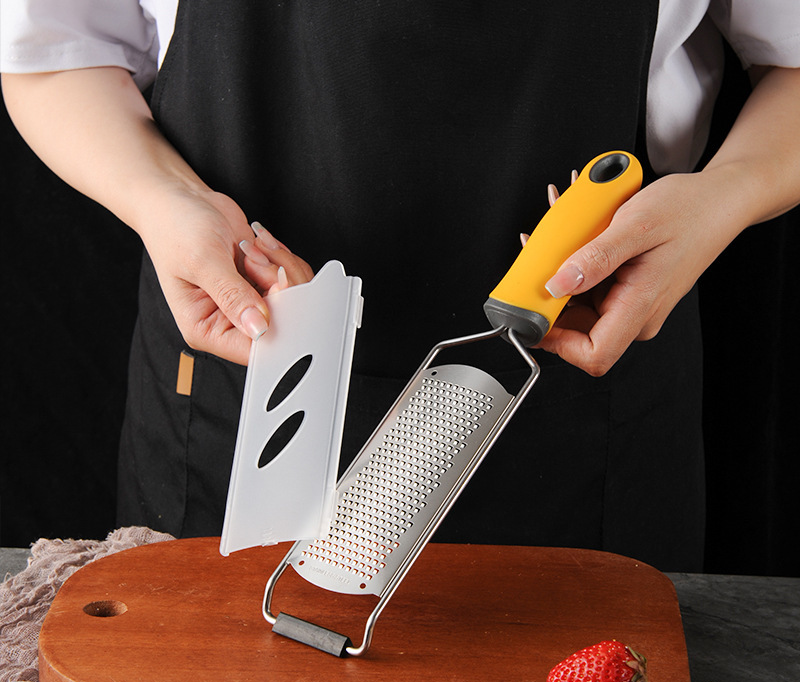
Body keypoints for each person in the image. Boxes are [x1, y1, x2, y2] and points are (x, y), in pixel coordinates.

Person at [2, 1, 799, 572]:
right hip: (238, 402)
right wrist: (162, 200)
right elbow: (60, 49)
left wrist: (726, 195)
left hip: (581, 408)